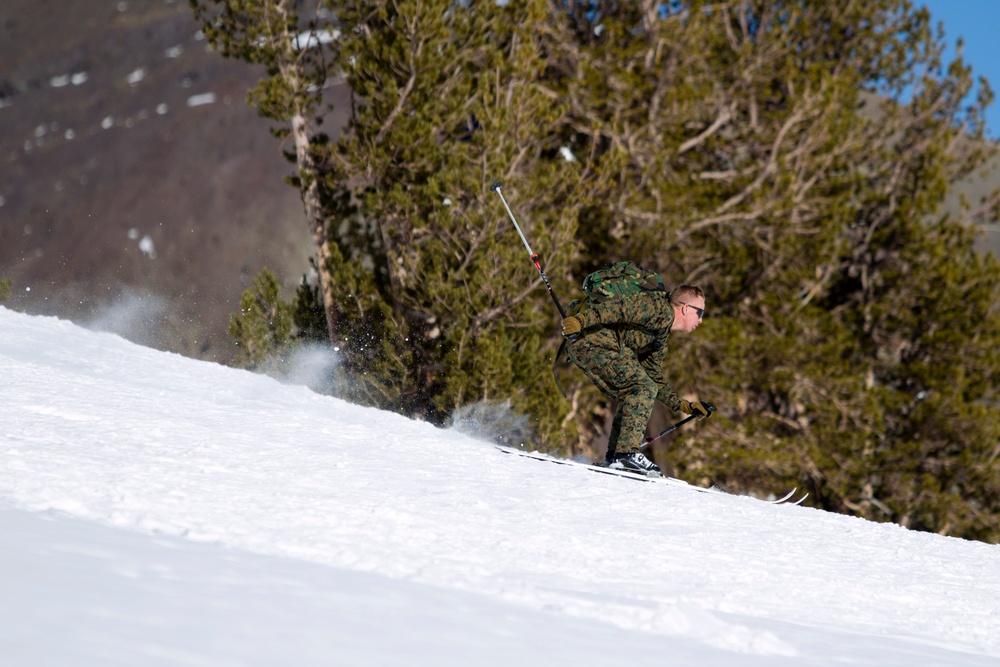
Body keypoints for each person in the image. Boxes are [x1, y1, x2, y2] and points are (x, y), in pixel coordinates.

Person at [561, 284, 711, 477]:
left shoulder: (661, 335)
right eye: (700, 313)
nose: (700, 320)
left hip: (602, 346)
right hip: (592, 340)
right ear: (685, 308)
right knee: (641, 387)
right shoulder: (657, 308)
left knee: (639, 388)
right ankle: (626, 454)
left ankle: (616, 456)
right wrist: (581, 321)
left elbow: (655, 380)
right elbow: (619, 308)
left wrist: (684, 406)